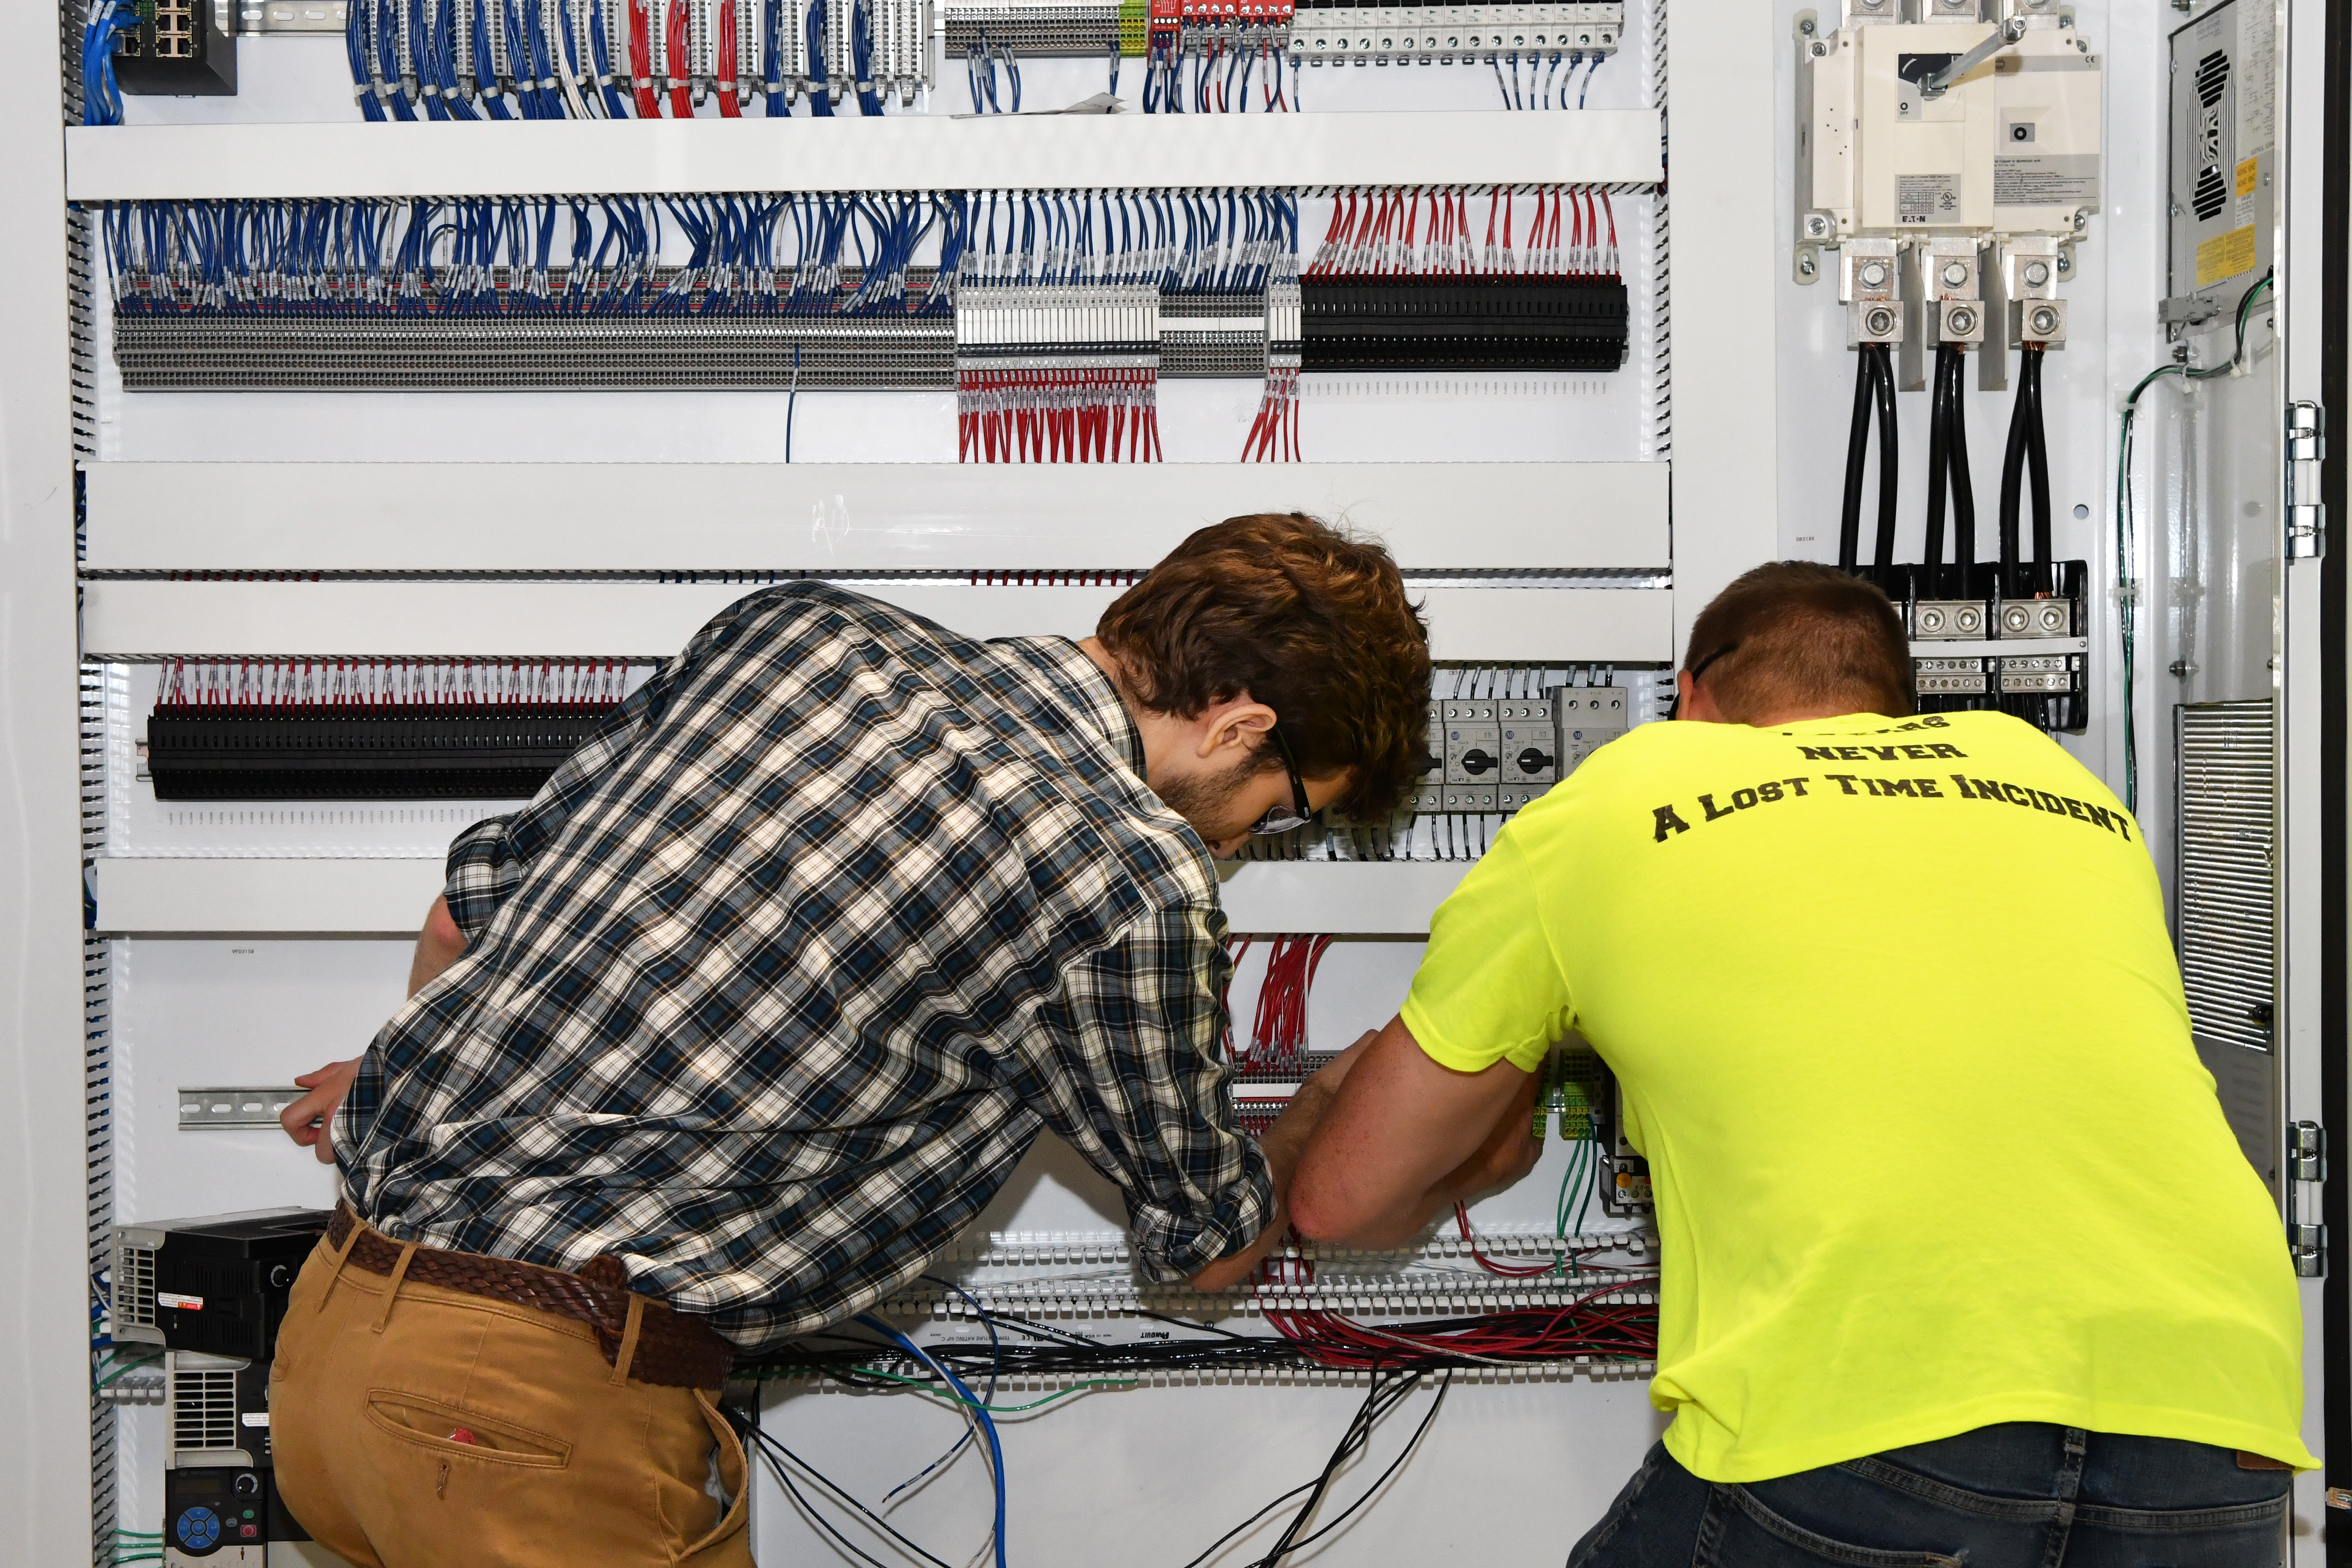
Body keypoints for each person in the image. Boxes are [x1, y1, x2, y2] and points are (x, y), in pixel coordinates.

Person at [268, 512, 1430, 1568]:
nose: (1241, 849)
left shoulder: (801, 632)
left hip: (329, 1345)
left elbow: (464, 914)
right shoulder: (1127, 872)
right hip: (524, 1422)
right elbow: (1210, 1242)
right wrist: (1332, 1107)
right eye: (1280, 816)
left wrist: (423, 1076)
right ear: (1240, 728)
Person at [1289, 560, 2314, 1566]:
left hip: (1879, 1390)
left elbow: (1341, 1201)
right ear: (1898, 709)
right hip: (2220, 1401)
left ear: (1691, 699)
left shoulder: (1627, 791)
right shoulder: (2050, 775)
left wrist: (1465, 1164)